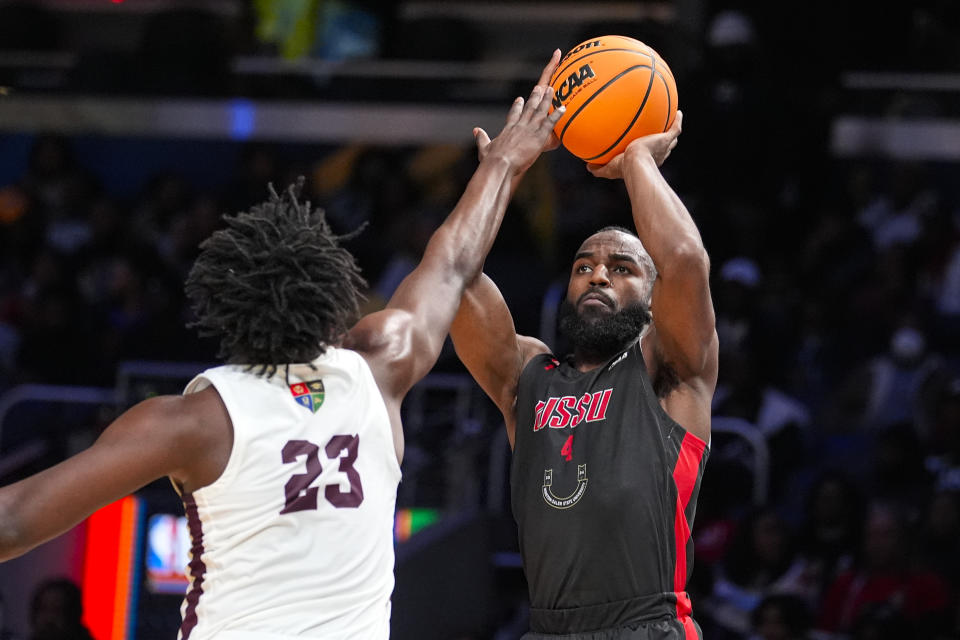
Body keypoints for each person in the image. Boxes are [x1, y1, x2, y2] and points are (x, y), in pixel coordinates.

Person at [0, 51, 566, 639]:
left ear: (225, 313)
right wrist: (505, 161)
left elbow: (13, 521)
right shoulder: (381, 370)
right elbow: (451, 263)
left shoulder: (193, 421)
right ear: (333, 301)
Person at [451, 110, 718, 639]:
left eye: (622, 268)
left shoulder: (670, 369)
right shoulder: (528, 376)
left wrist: (637, 159)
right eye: (584, 266)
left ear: (651, 297)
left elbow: (685, 258)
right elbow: (452, 279)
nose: (598, 273)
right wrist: (498, 174)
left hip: (646, 624)